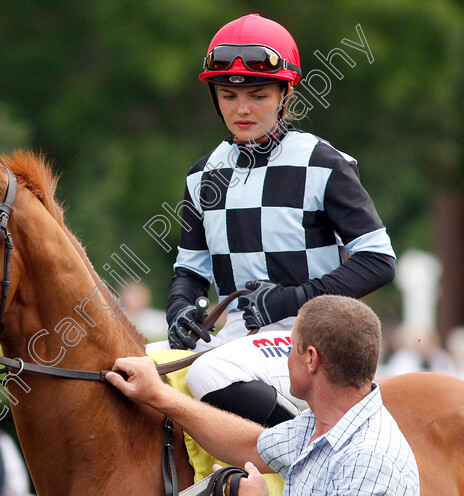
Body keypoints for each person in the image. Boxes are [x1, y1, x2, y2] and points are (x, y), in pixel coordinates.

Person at [161, 13, 396, 426]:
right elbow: (190, 271)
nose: (243, 109)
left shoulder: (323, 163)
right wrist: (181, 308)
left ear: (286, 94)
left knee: (206, 373)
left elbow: (378, 261)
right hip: (237, 337)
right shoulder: (203, 175)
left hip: (310, 341)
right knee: (130, 365)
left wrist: (287, 300)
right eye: (229, 96)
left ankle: (311, 452)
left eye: (258, 94)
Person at [111, 295, 419, 495]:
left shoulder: (370, 461)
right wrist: (159, 396)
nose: (286, 358)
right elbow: (249, 444)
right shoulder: (318, 424)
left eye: (290, 347)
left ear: (311, 360)